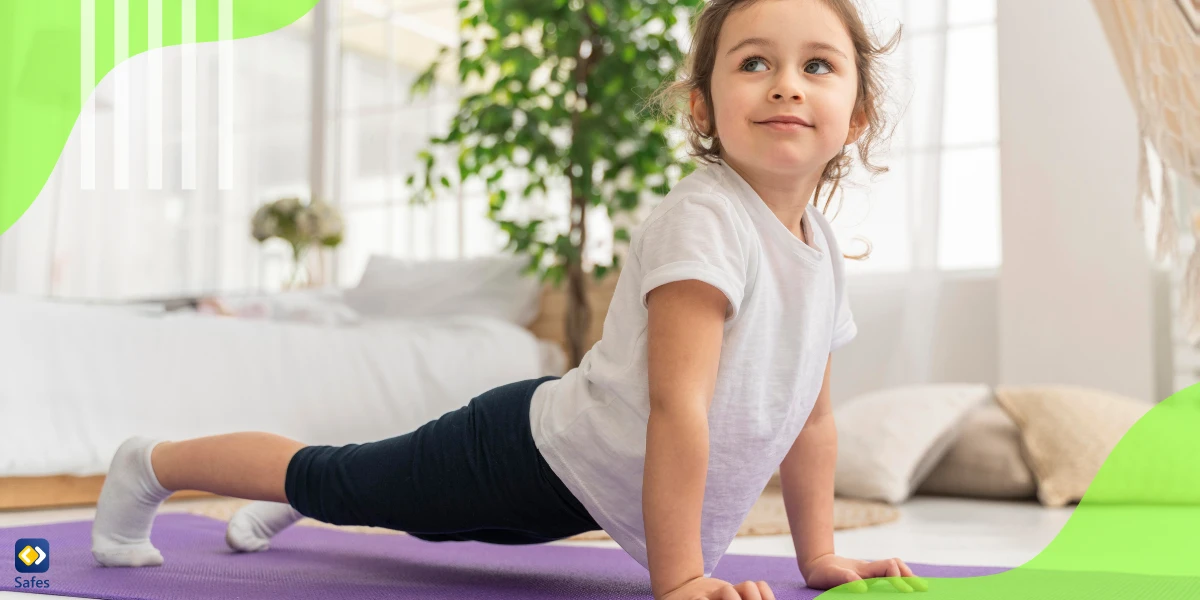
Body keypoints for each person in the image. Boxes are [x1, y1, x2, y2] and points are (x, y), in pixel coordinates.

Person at [91, 1, 926, 598]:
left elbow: (810, 423)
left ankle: (300, 501)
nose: (787, 84)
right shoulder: (707, 221)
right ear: (704, 108)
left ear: (856, 114)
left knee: (367, 485)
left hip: (581, 483)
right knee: (338, 479)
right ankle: (151, 464)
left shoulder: (820, 257)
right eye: (754, 62)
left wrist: (818, 558)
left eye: (818, 65)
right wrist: (677, 581)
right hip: (532, 454)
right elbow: (679, 409)